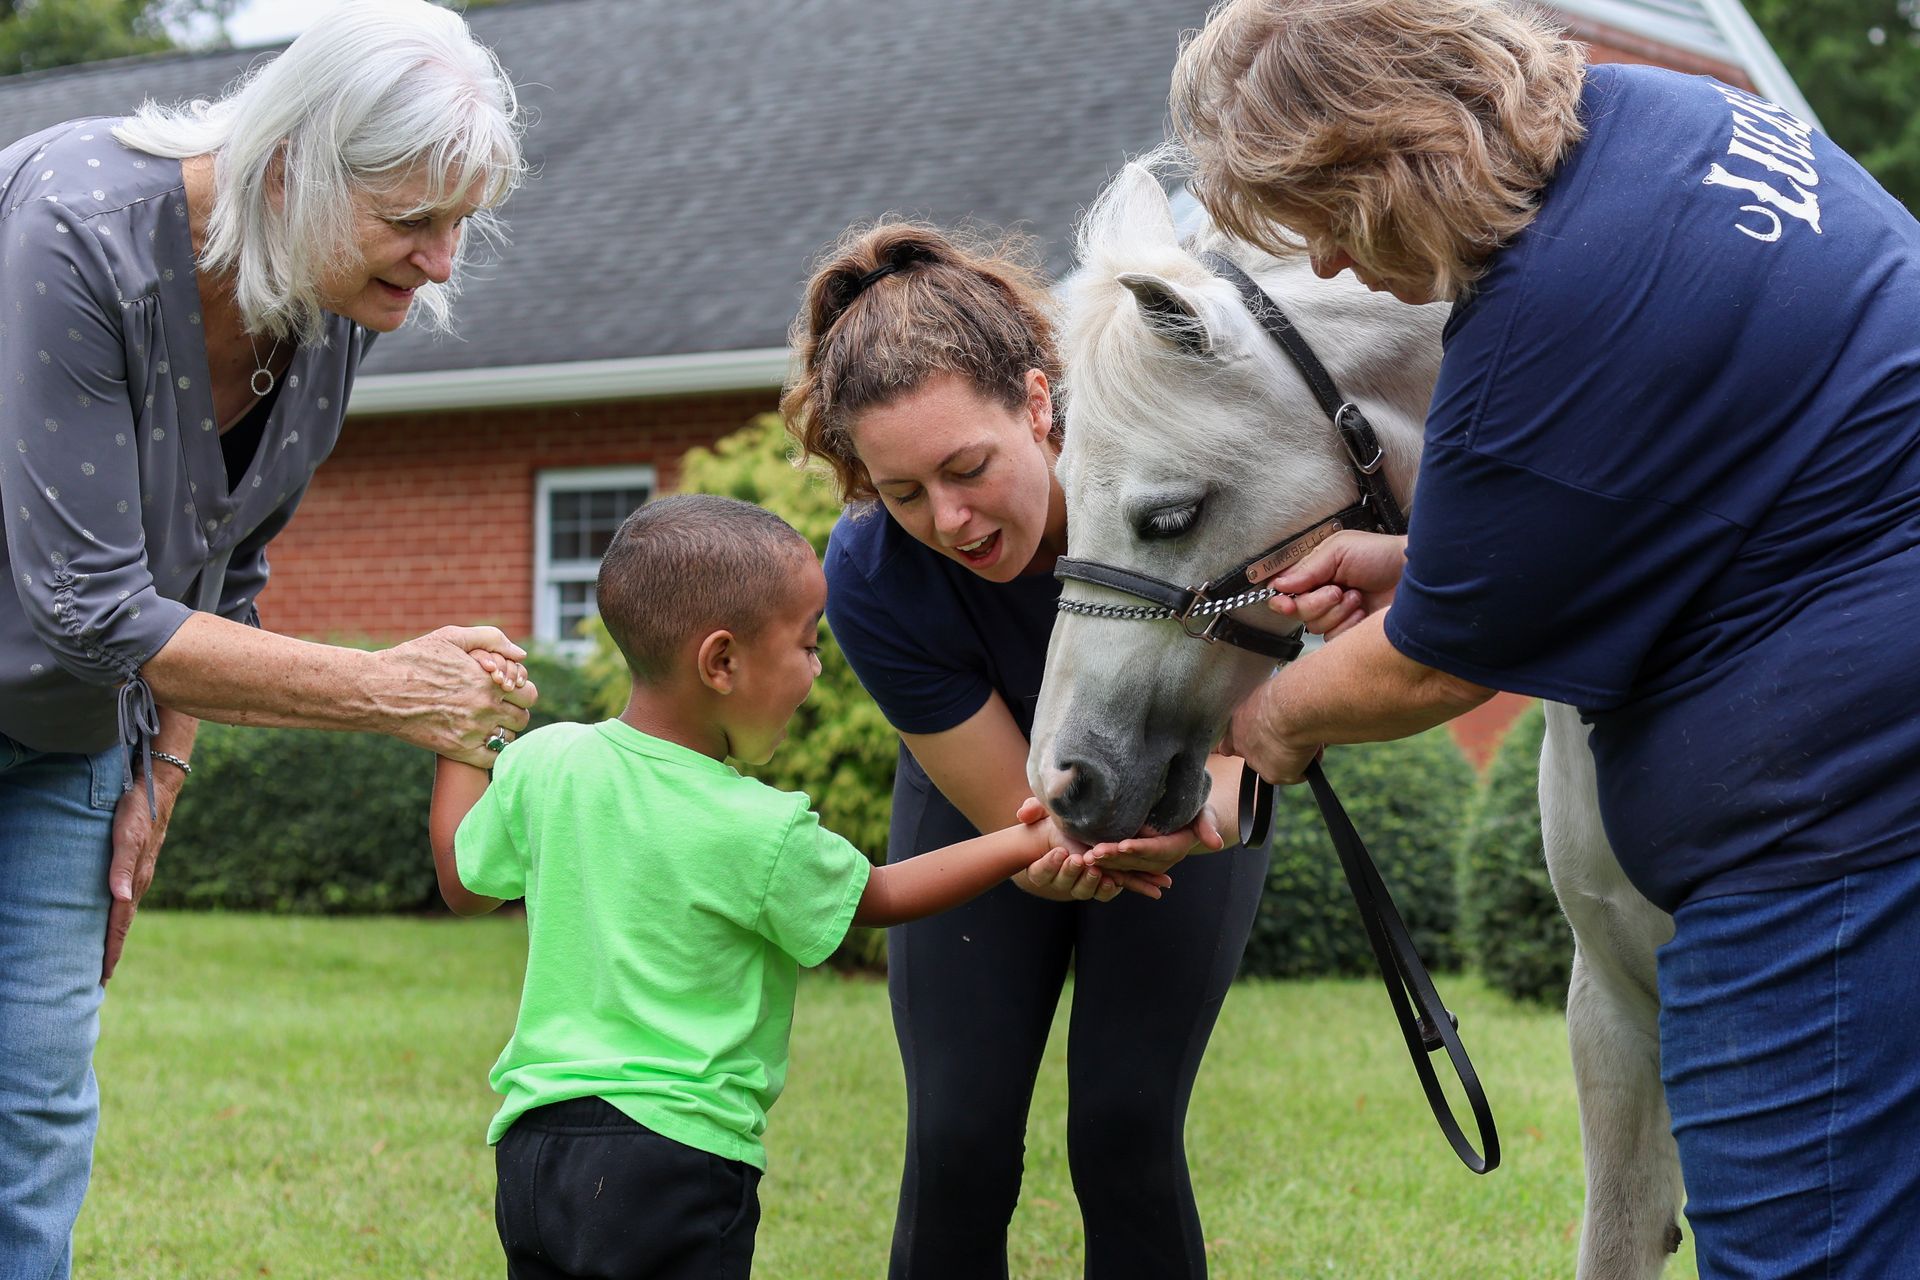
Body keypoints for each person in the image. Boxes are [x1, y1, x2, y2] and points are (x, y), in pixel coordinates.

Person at [1171, 1, 1920, 1276]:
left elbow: (1434, 662)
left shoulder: (1547, 306)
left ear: (1391, 156)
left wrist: (1267, 719)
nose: (1341, 272)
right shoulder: (1674, 120)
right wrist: (1427, 560)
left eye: (1330, 221)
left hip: (1834, 830)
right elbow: (1710, 466)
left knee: (1810, 1248)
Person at [0, 2, 533, 1273]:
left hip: (65, 741)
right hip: (54, 663)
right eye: (414, 221)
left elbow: (220, 566)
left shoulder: (329, 297)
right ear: (288, 167)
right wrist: (389, 690)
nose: (445, 261)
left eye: (461, 222)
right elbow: (90, 601)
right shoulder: (71, 228)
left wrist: (162, 770)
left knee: (36, 1109)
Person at [428, 493, 1137, 1280]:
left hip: (533, 1151)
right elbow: (882, 896)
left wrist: (463, 738)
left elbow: (464, 881)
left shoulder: (548, 761)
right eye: (807, 645)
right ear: (721, 662)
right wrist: (1028, 836)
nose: (816, 670)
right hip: (673, 1157)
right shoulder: (753, 825)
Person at [782, 222, 1272, 1279]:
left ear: (1041, 405)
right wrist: (1075, 844)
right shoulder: (871, 575)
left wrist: (1196, 824)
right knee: (956, 1139)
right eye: (904, 492)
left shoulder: (1174, 484)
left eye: (967, 468)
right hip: (999, 818)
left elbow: (1266, 736)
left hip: (1193, 797)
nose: (948, 519)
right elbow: (1027, 808)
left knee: (1124, 1127)